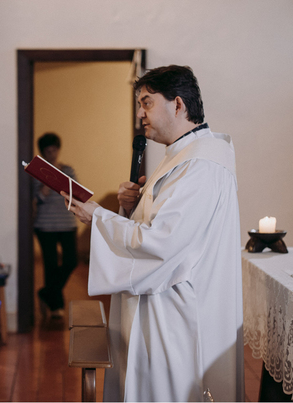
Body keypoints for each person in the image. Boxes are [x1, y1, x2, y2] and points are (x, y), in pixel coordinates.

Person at [62, 65, 242, 401]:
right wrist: (129, 208)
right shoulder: (182, 157)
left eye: (146, 103)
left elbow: (160, 244)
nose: (139, 114)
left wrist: (98, 217)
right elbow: (160, 228)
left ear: (177, 104)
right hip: (162, 304)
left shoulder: (199, 166)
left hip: (175, 314)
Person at [31, 132, 79, 319]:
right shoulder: (37, 172)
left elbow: (76, 194)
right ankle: (56, 306)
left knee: (71, 261)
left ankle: (46, 293)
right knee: (50, 265)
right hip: (45, 225)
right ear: (43, 153)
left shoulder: (68, 170)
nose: (51, 154)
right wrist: (47, 180)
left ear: (58, 150)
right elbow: (39, 198)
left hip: (67, 223)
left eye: (54, 150)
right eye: (48, 151)